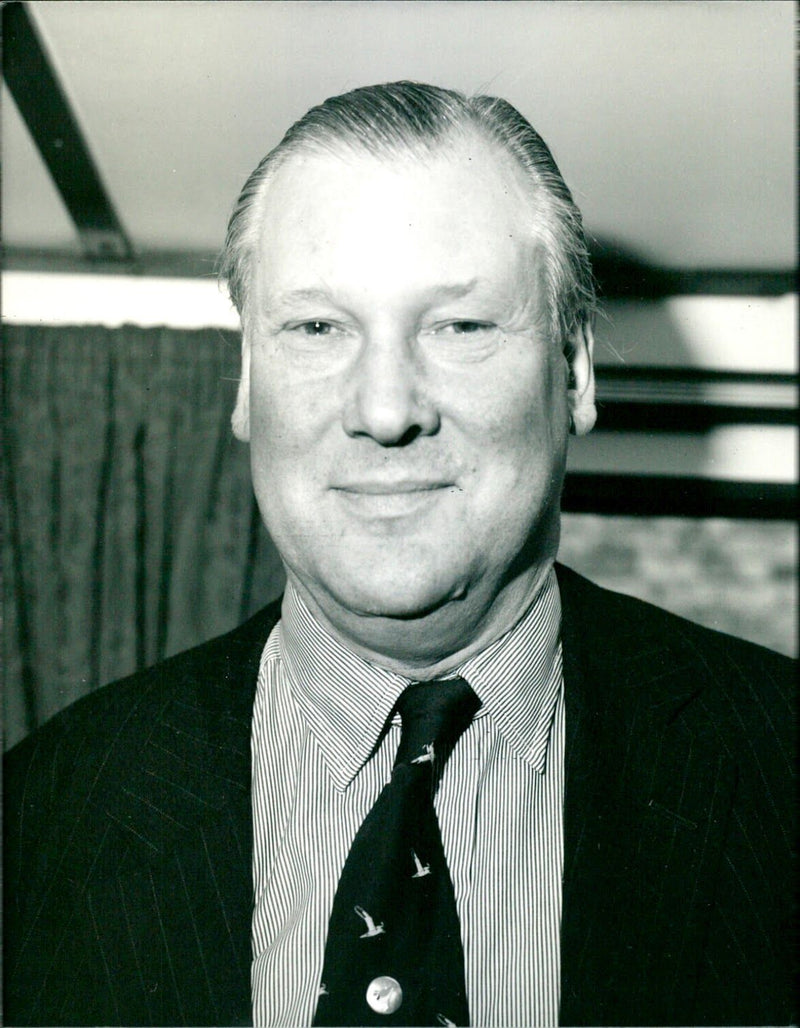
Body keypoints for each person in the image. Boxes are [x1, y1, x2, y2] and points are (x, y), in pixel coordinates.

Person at [3, 82, 794, 1028]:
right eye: (317, 328)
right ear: (249, 384)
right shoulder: (38, 819)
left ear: (575, 371)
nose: (385, 410)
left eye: (458, 326)